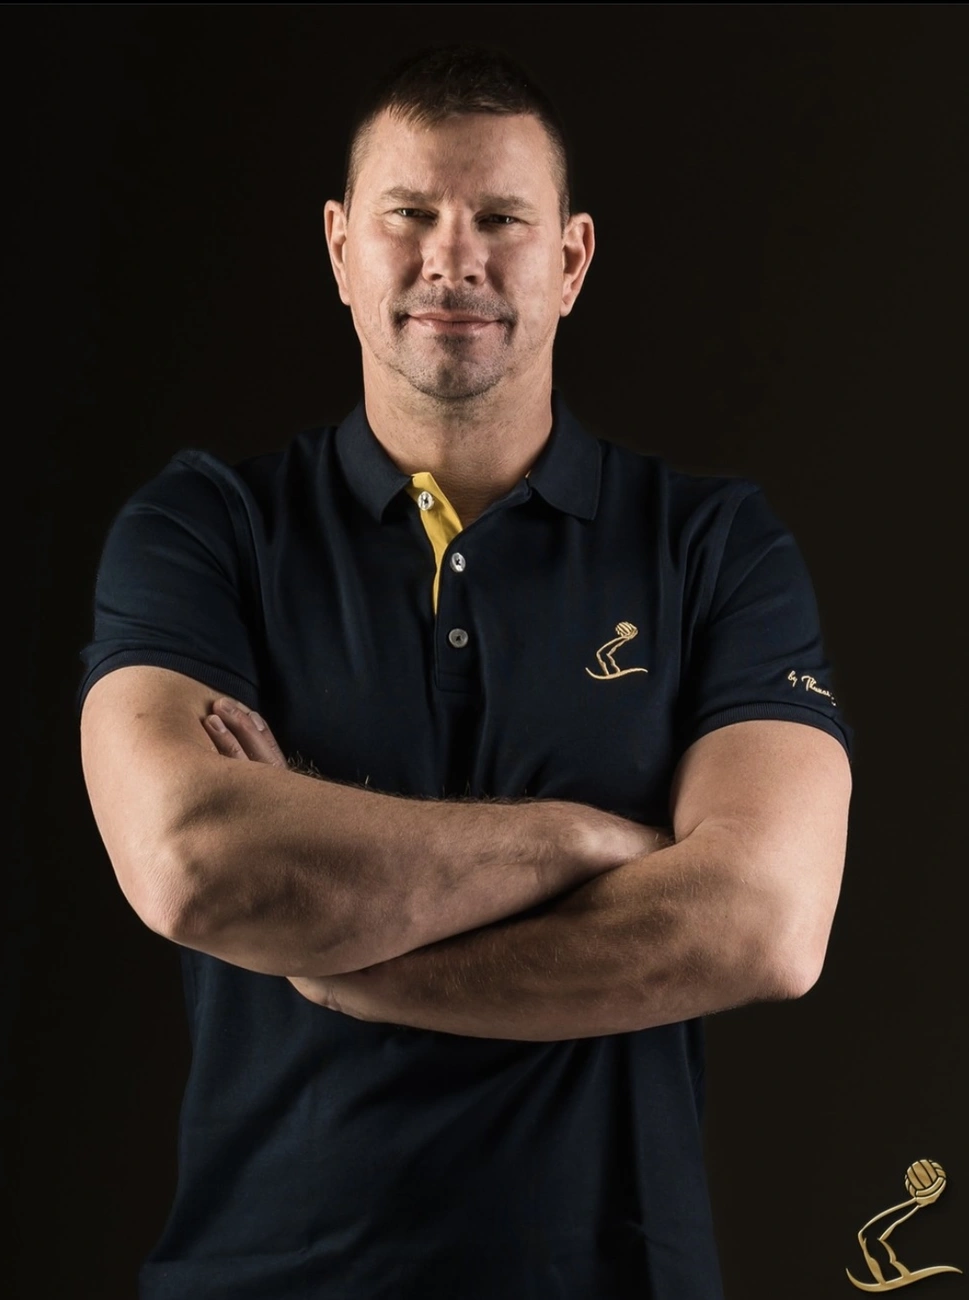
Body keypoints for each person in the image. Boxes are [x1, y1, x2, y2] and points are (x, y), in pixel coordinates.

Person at [78, 41, 852, 1300]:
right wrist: (579, 842)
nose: (454, 258)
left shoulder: (714, 548)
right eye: (409, 215)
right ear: (340, 249)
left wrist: (340, 958)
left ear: (571, 261)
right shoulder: (205, 531)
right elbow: (194, 861)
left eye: (500, 218)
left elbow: (766, 920)